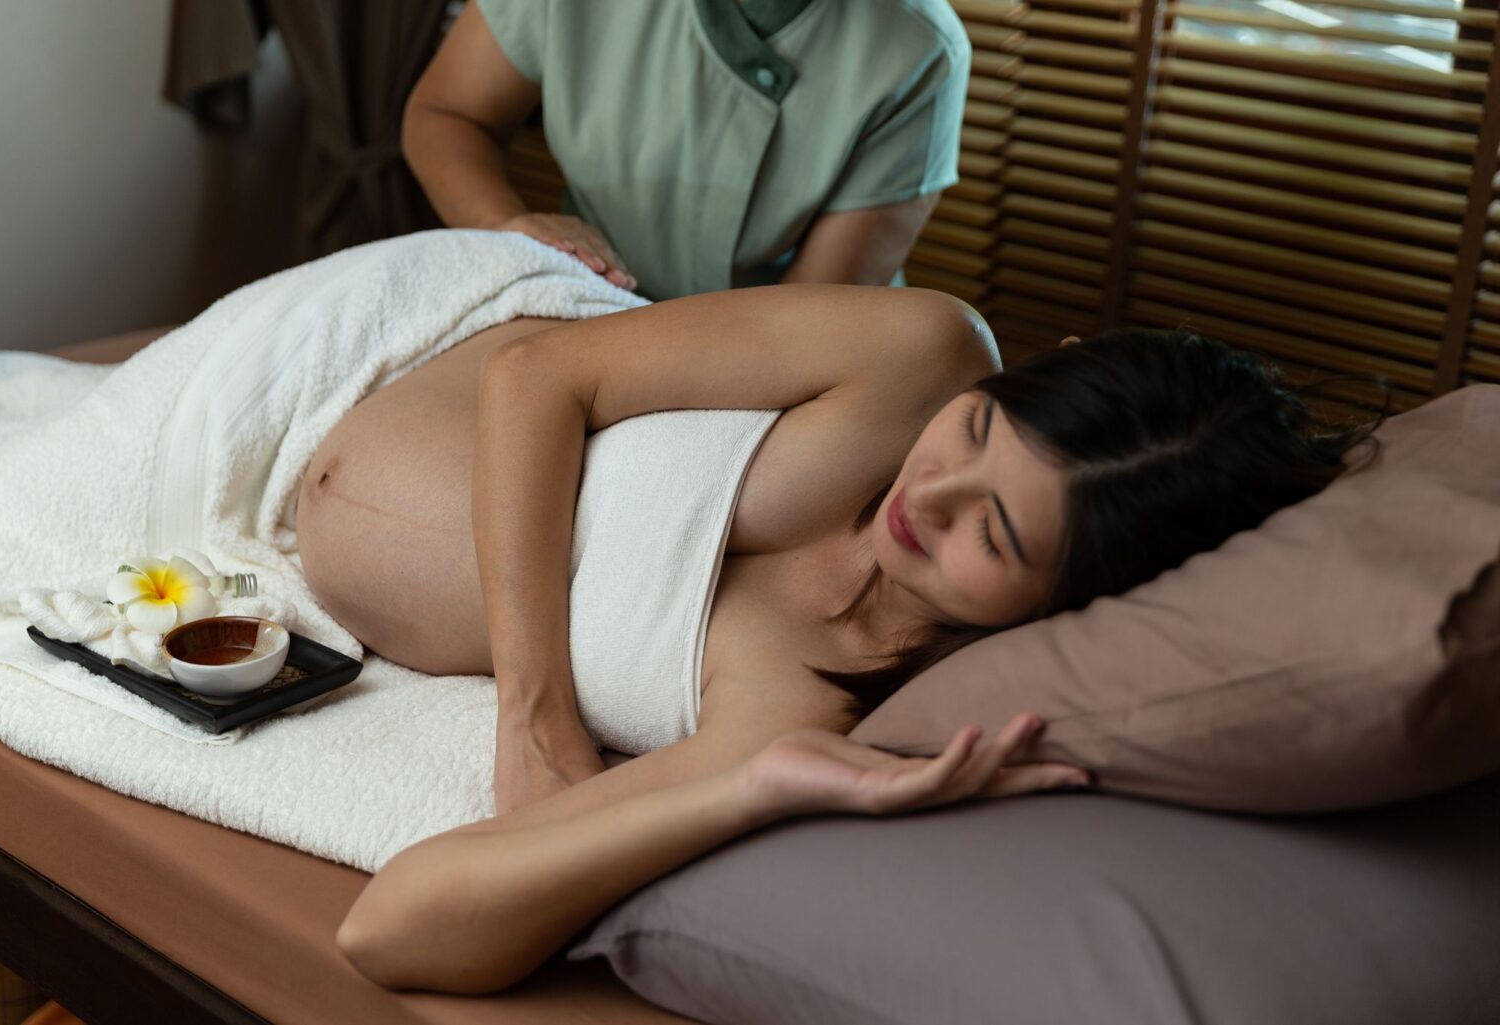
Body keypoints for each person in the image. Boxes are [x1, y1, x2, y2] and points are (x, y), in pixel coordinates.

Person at [277, 282, 1381, 994]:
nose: (931, 493)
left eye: (989, 534)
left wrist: (757, 786)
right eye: (983, 426)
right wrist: (534, 707)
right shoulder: (919, 353)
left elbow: (394, 929)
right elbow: (538, 371)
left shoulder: (804, 697)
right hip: (383, 331)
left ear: (1065, 599)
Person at [402, 0, 970, 298]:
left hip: (776, 361)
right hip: (579, 295)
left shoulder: (919, 50)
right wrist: (506, 226)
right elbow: (447, 115)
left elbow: (805, 325)